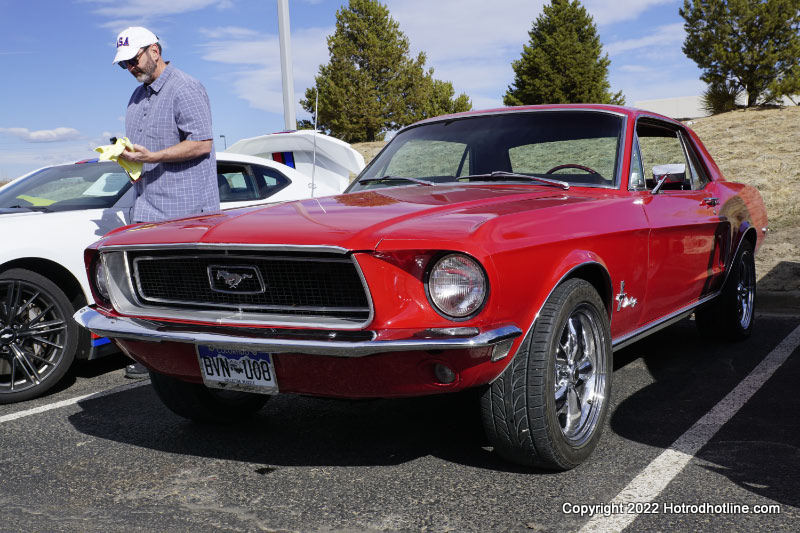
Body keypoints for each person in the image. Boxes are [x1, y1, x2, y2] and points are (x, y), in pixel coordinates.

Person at [112, 26, 220, 378]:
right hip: (146, 208)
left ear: (154, 50)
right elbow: (141, 155)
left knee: (190, 290)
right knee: (152, 287)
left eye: (133, 59)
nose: (130, 68)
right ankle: (159, 358)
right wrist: (125, 156)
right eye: (124, 64)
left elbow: (202, 143)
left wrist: (153, 156)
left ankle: (204, 362)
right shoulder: (135, 97)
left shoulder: (185, 86)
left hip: (184, 211)